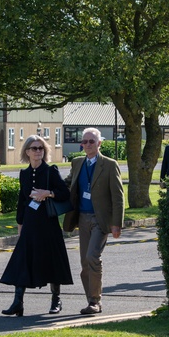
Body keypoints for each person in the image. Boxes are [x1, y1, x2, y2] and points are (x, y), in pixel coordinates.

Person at [0, 135, 73, 316]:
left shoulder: (51, 171)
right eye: (34, 148)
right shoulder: (24, 174)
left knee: (52, 261)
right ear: (27, 152)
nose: (38, 151)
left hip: (48, 223)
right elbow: (22, 201)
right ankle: (18, 303)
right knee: (22, 260)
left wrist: (47, 193)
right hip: (30, 223)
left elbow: (65, 194)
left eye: (41, 148)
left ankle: (56, 300)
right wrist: (20, 223)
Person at [63, 128, 124, 315]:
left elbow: (118, 196)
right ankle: (90, 300)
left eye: (91, 141)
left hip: (101, 219)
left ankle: (96, 301)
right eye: (85, 141)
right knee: (84, 262)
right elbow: (68, 184)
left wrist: (117, 223)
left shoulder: (110, 164)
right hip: (82, 218)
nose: (87, 145)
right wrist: (49, 188)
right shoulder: (77, 163)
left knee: (92, 257)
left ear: (99, 144)